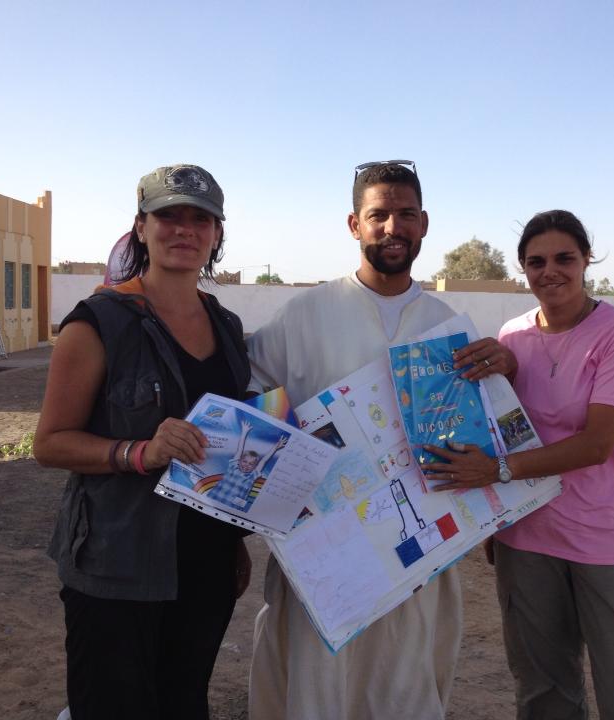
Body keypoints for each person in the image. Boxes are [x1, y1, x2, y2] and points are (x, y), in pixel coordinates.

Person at [423, 210, 614, 719]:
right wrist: (493, 515)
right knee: (542, 692)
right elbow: (495, 423)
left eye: (564, 259)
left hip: (605, 538)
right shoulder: (510, 338)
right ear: (523, 270)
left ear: (586, 260)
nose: (550, 271)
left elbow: (596, 445)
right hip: (526, 537)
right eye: (536, 262)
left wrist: (495, 470)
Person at [34, 164, 253, 720]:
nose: (184, 230)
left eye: (200, 219)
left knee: (184, 703)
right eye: (168, 216)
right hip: (117, 565)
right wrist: (139, 452)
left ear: (217, 234)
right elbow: (50, 443)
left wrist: (235, 541)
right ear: (141, 227)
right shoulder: (98, 322)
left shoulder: (227, 327)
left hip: (204, 564)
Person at [245, 160, 462, 720]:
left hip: (417, 547)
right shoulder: (304, 314)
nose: (393, 228)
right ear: (354, 224)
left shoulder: (446, 325)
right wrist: (293, 451)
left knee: (403, 681)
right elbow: (251, 390)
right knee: (317, 686)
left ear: (424, 223)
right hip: (322, 548)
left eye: (406, 214)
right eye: (379, 214)